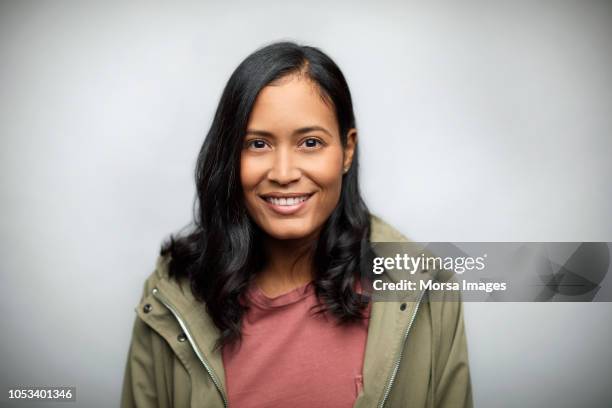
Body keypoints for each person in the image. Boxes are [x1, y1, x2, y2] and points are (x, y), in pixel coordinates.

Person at [121, 41, 472, 408]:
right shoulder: (170, 294)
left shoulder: (426, 286)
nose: (284, 173)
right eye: (257, 144)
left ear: (347, 150)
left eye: (310, 142)